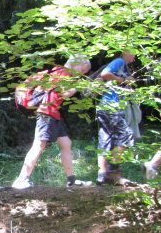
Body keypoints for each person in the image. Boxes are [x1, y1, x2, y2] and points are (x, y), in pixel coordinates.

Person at [11, 55, 93, 189]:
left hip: (53, 114)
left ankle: (71, 180)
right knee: (39, 145)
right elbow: (65, 93)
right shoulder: (62, 73)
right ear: (74, 64)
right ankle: (21, 179)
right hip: (46, 113)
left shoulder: (59, 73)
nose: (82, 73)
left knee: (66, 143)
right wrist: (79, 86)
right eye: (82, 70)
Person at [96, 50, 138, 186]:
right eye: (134, 53)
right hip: (112, 106)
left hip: (105, 107)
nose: (135, 56)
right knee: (126, 135)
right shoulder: (119, 62)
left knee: (106, 138)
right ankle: (113, 172)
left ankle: (102, 175)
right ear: (126, 52)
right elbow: (105, 74)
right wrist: (124, 80)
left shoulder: (123, 67)